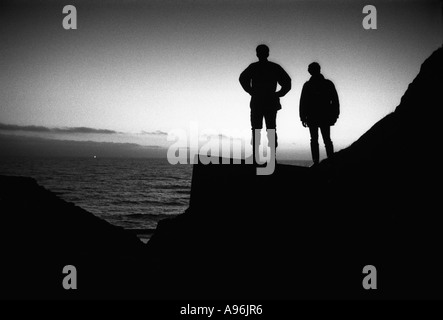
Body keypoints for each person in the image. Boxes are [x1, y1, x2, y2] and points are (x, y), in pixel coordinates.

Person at [239, 44, 291, 160]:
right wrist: (251, 91)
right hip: (264, 102)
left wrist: (251, 91)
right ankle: (267, 156)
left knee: (264, 129)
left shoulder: (261, 67)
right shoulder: (271, 67)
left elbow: (287, 82)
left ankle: (268, 156)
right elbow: (242, 78)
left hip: (263, 102)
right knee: (266, 129)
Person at [299, 62, 339, 165]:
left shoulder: (325, 84)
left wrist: (335, 115)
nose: (309, 70)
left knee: (323, 139)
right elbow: (303, 102)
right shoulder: (310, 85)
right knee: (318, 140)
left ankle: (326, 160)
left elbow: (334, 100)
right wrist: (302, 117)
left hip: (321, 116)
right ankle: (319, 161)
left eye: (310, 69)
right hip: (315, 116)